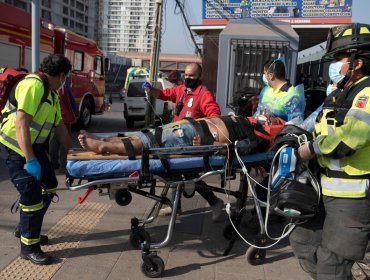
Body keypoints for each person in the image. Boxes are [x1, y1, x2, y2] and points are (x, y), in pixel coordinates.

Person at [291, 23, 370, 279]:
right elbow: (319, 127)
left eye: (339, 58)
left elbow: (349, 139)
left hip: (352, 197)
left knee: (332, 265)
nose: (334, 65)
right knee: (303, 245)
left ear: (357, 62)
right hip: (323, 188)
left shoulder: (366, 94)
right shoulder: (340, 94)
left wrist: (310, 149)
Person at [0, 54, 72, 265]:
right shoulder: (33, 86)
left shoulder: (51, 95)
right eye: (65, 77)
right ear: (60, 75)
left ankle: (26, 228)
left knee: (49, 185)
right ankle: (29, 246)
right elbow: (21, 123)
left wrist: (77, 152)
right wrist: (30, 160)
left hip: (34, 147)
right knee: (31, 191)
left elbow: (59, 127)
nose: (64, 81)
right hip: (15, 146)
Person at [142, 63, 223, 221]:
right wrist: (151, 89)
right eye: (185, 75)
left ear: (200, 77)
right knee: (173, 172)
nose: (187, 78)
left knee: (188, 174)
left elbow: (215, 118)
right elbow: (164, 94)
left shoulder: (204, 95)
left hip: (192, 144)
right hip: (177, 141)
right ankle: (175, 206)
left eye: (191, 75)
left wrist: (205, 138)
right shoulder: (181, 90)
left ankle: (215, 202)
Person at [254, 57, 305, 124]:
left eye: (264, 73)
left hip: (279, 133)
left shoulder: (291, 95)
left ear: (271, 76)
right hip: (260, 132)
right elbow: (258, 113)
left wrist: (277, 122)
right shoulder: (266, 90)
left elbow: (295, 123)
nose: (264, 76)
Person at [49, 79, 78, 174]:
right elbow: (71, 101)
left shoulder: (47, 85)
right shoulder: (64, 85)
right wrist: (76, 112)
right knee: (64, 142)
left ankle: (53, 163)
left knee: (53, 141)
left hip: (51, 117)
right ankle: (63, 166)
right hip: (63, 117)